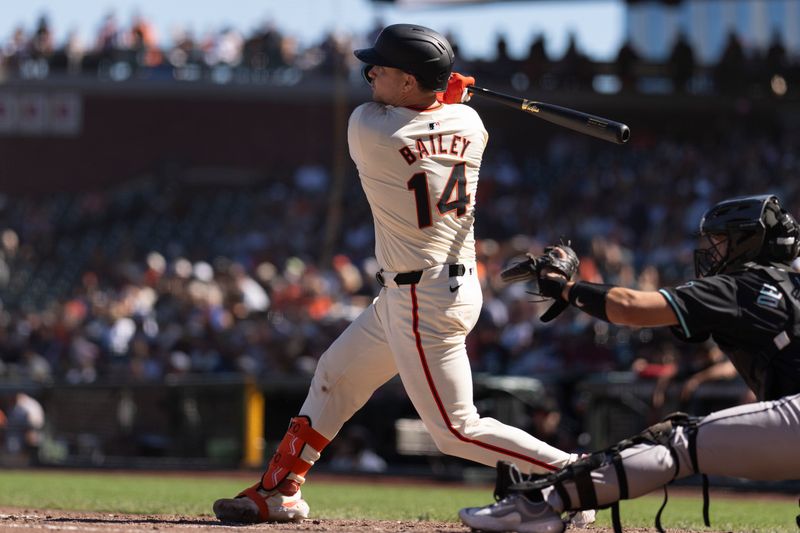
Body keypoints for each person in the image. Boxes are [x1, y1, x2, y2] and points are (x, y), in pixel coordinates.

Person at [213, 23, 593, 525]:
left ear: (411, 82)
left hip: (423, 296)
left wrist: (448, 91)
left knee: (455, 429)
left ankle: (581, 477)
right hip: (432, 287)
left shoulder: (372, 129)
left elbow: (408, 112)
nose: (370, 73)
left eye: (383, 68)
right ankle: (279, 491)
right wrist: (449, 94)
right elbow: (445, 112)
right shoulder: (471, 124)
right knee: (334, 376)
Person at [459, 194, 800, 533]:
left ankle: (543, 502)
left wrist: (566, 289)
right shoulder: (788, 285)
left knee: (674, 441)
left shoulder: (741, 287)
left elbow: (630, 307)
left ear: (747, 242)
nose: (714, 251)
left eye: (722, 241)